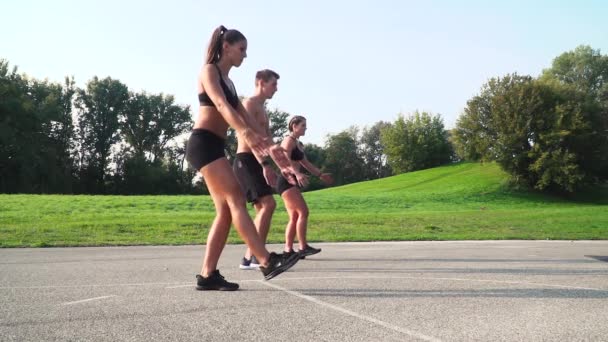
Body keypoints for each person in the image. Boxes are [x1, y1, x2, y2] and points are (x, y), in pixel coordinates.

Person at [185, 25, 302, 291]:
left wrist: (271, 148)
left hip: (215, 144)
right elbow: (221, 105)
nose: (245, 55)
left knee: (226, 212)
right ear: (226, 47)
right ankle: (265, 260)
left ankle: (208, 275)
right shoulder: (209, 71)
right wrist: (244, 131)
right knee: (237, 198)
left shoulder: (230, 82)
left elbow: (249, 120)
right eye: (242, 49)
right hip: (202, 143)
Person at [233, 69, 282, 270]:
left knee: (263, 208)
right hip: (247, 160)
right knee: (268, 205)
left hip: (257, 160)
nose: (276, 90)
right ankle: (254, 256)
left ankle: (249, 257)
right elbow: (247, 138)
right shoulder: (249, 104)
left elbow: (268, 141)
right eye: (273, 85)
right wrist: (264, 165)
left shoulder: (263, 109)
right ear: (261, 82)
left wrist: (284, 167)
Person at [276, 115, 333, 259]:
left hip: (292, 180)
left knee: (295, 216)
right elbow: (283, 160)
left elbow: (305, 163)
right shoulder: (288, 141)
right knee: (303, 212)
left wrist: (320, 175)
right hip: (286, 180)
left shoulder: (298, 143)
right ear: (294, 126)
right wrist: (296, 173)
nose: (305, 128)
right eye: (303, 125)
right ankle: (302, 247)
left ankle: (288, 251)